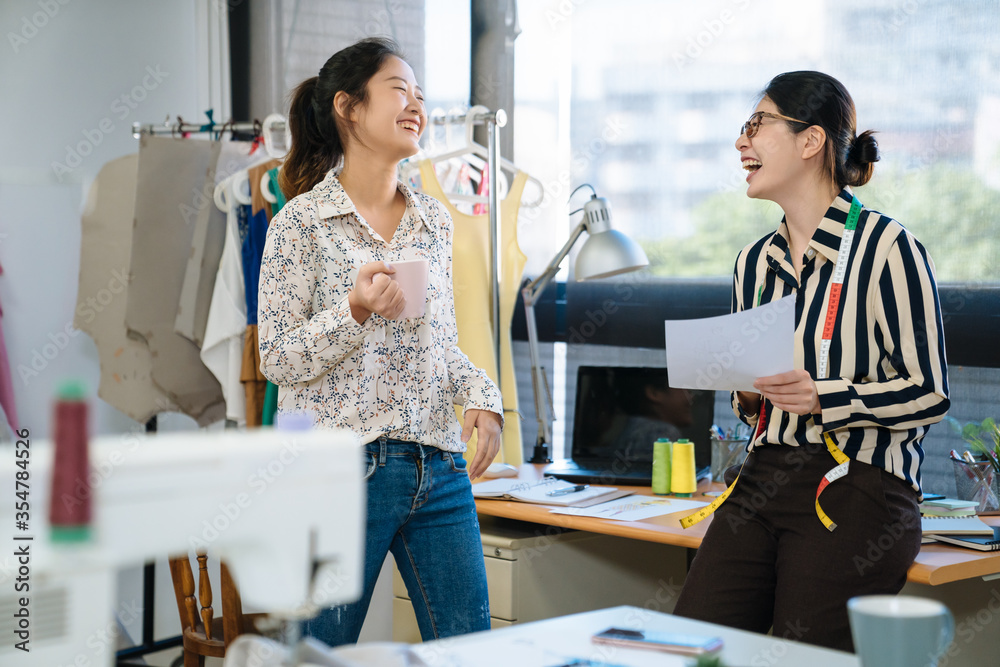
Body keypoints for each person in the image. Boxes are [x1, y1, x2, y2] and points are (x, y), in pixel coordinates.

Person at [673, 71, 949, 651]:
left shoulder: (885, 248)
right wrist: (747, 394)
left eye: (758, 123)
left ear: (811, 140)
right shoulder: (754, 262)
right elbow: (752, 403)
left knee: (804, 656)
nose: (742, 143)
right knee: (694, 648)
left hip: (860, 483)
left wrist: (829, 396)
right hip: (763, 475)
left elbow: (928, 392)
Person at [257, 37, 503, 646]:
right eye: (399, 90)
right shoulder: (300, 223)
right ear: (348, 106)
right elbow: (277, 357)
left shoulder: (433, 219)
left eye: (420, 93)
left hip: (439, 465)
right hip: (344, 470)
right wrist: (354, 310)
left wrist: (483, 396)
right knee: (318, 655)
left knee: (471, 652)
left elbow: (440, 344)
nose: (416, 103)